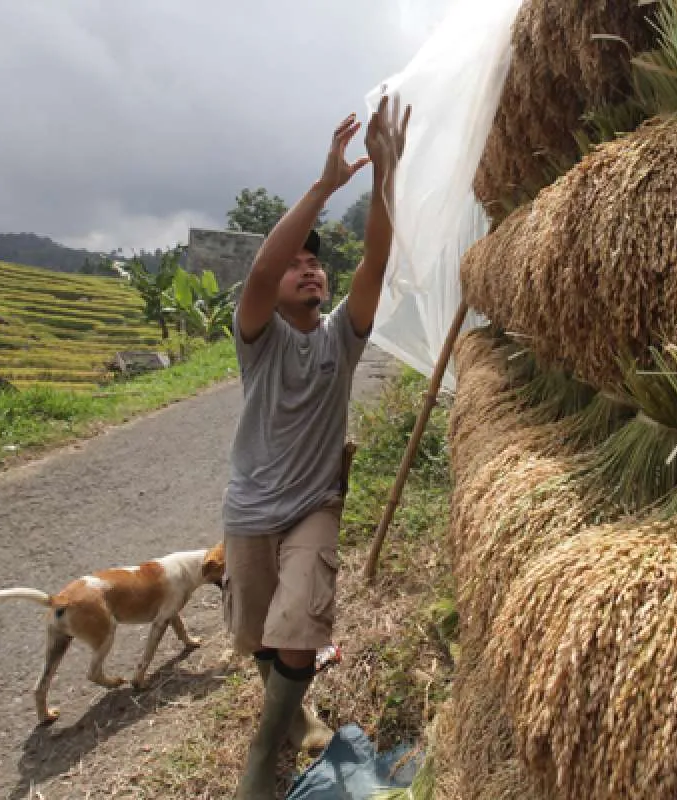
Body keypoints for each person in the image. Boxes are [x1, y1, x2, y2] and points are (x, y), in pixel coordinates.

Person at [222, 94, 410, 799]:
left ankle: (260, 754)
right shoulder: (258, 334)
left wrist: (384, 176)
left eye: (316, 264)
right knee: (257, 638)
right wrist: (325, 186)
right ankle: (295, 712)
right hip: (250, 508)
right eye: (296, 264)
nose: (309, 269)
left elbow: (377, 259)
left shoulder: (340, 336)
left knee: (300, 622)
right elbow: (259, 273)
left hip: (313, 504)